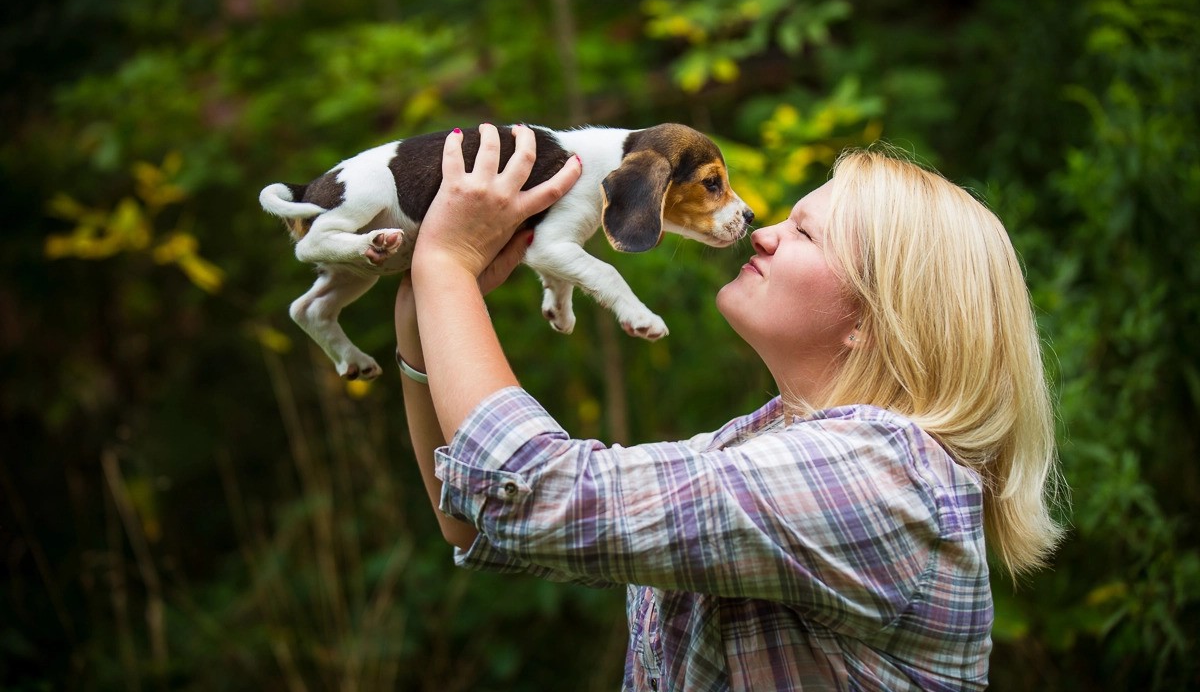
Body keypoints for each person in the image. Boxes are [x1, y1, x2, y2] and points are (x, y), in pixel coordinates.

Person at [393, 123, 1064, 691]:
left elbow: (535, 495)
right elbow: (478, 518)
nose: (763, 232)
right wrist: (421, 314)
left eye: (804, 233)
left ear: (878, 317)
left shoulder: (878, 476)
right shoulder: (756, 442)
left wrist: (446, 267)